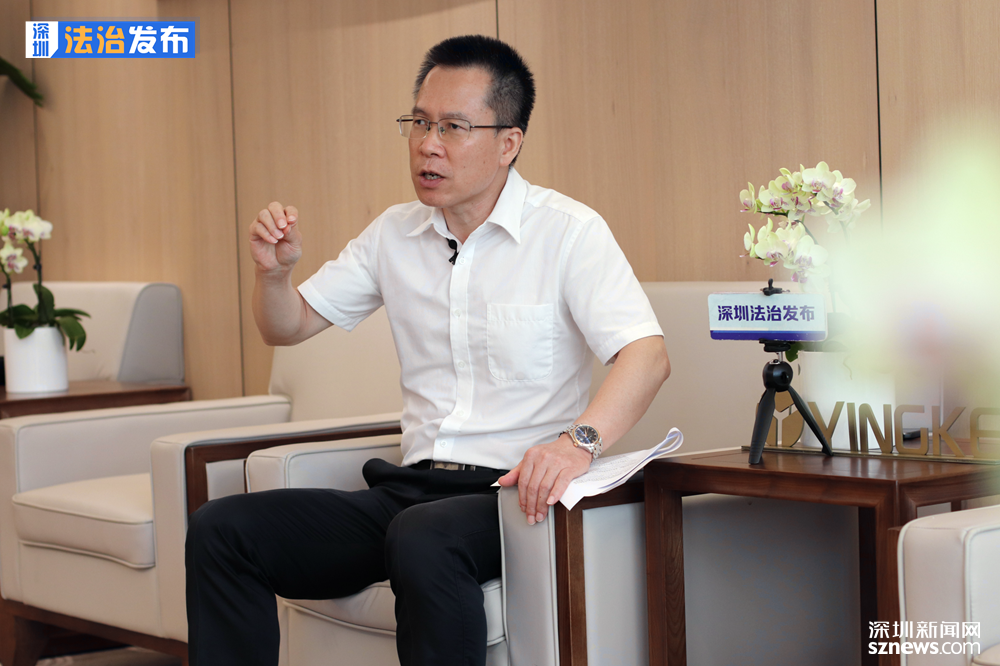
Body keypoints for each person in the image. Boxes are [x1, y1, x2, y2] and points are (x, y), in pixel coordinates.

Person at [185, 34, 670, 666]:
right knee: (222, 530)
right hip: (410, 491)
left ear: (508, 143)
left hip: (512, 498)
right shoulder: (393, 233)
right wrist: (272, 275)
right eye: (419, 123)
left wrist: (575, 445)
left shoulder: (568, 232)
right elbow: (289, 326)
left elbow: (646, 355)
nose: (427, 144)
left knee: (423, 537)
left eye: (453, 127)